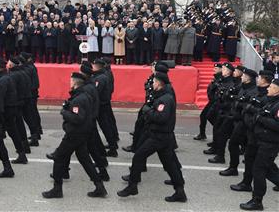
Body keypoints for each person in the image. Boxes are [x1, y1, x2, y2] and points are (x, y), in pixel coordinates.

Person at [117, 73, 187, 202]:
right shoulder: (162, 96)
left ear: (159, 83)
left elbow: (161, 118)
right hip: (162, 136)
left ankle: (132, 186)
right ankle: (180, 191)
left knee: (138, 156)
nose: (152, 84)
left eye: (154, 82)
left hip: (159, 136)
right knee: (170, 164)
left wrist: (148, 111)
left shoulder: (165, 99)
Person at [42, 72, 108, 199]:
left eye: (71, 81)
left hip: (74, 134)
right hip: (82, 133)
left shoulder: (79, 99)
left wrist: (64, 112)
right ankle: (99, 186)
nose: (70, 83)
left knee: (58, 157)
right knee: (85, 160)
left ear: (76, 83)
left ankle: (57, 189)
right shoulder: (83, 96)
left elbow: (78, 118)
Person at [239, 79, 279, 211]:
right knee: (266, 169)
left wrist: (260, 118)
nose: (268, 89)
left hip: (270, 143)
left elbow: (276, 125)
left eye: (272, 87)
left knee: (259, 170)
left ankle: (257, 201)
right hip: (260, 140)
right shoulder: (271, 101)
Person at [0, 58, 28, 164]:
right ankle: (22, 152)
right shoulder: (7, 76)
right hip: (11, 106)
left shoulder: (4, 79)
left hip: (7, 108)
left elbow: (0, 95)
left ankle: (12, 158)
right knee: (12, 131)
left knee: (6, 131)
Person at [92, 58, 118, 157]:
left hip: (101, 105)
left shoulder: (100, 78)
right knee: (106, 126)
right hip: (102, 104)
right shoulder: (100, 76)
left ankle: (112, 147)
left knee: (105, 127)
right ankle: (112, 145)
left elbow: (96, 92)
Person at [194, 63, 222, 140]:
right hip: (211, 101)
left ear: (221, 69)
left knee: (211, 117)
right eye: (214, 68)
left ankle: (220, 131)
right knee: (203, 116)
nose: (214, 70)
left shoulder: (220, 79)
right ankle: (202, 134)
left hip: (215, 102)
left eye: (216, 69)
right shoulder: (215, 78)